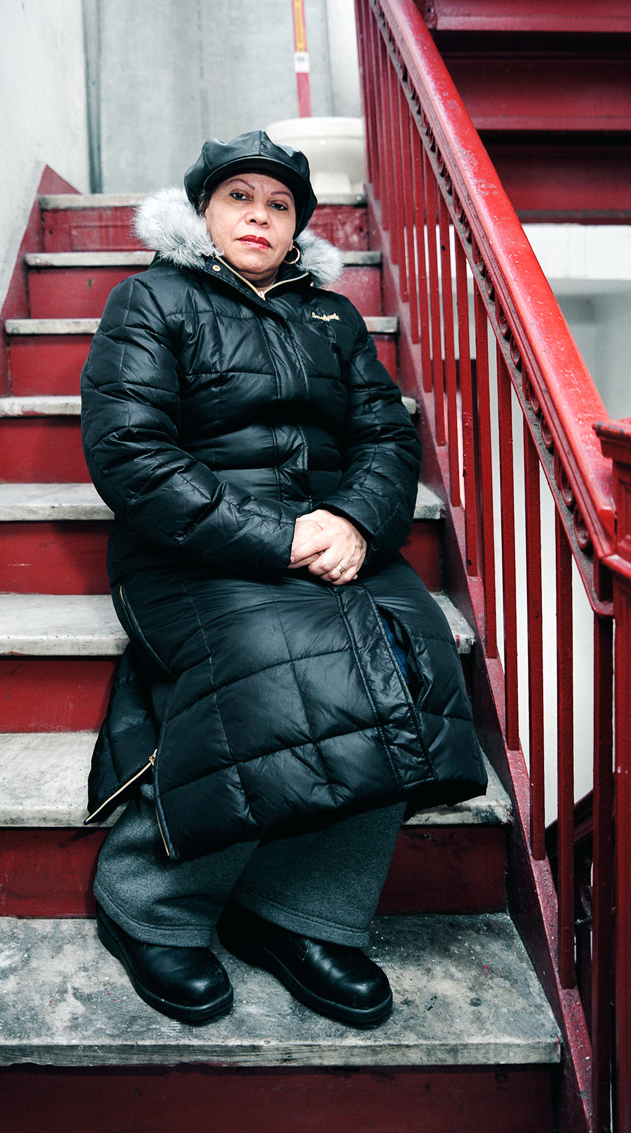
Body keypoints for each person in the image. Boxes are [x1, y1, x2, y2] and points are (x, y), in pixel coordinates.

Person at [80, 130, 487, 1029]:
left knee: (411, 647)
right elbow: (132, 456)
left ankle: (300, 915)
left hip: (332, 537)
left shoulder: (332, 318)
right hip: (190, 551)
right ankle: (151, 906)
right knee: (279, 652)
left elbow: (386, 438)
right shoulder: (149, 300)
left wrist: (351, 522)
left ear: (297, 226)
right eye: (238, 199)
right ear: (203, 211)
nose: (258, 217)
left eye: (278, 205)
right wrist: (278, 536)